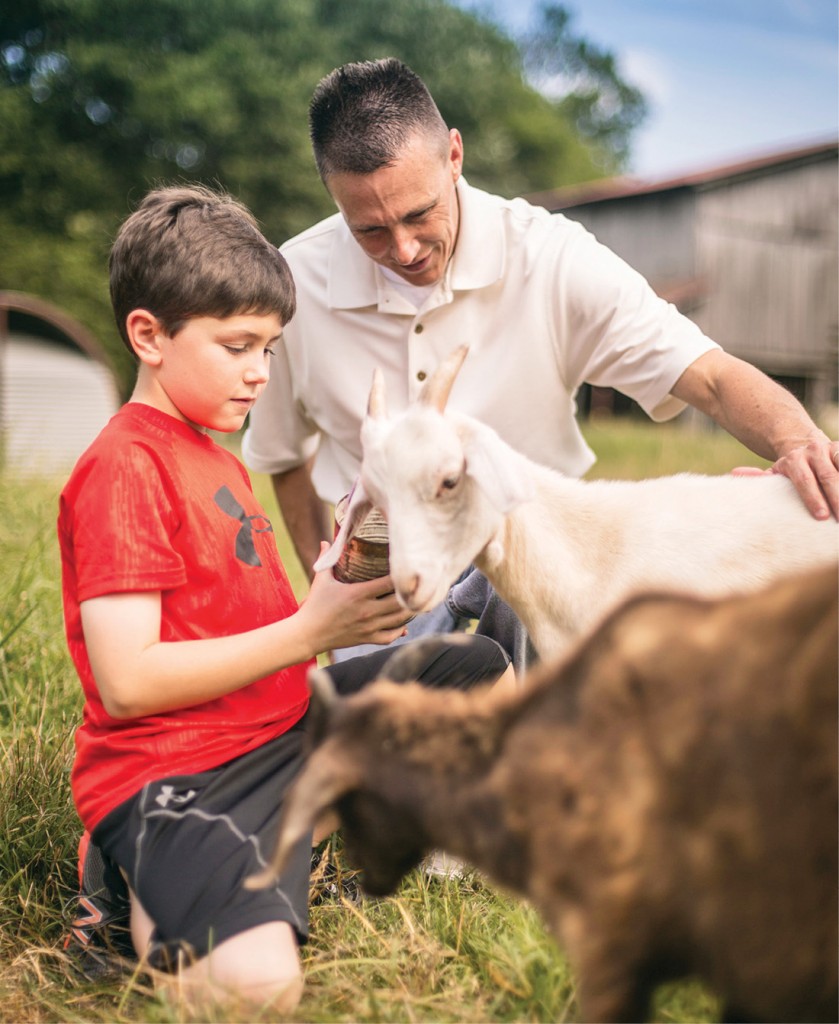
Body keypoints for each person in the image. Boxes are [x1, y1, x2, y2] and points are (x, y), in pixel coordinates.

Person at [59, 184, 511, 1014]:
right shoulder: (124, 466)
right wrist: (312, 629)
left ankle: (272, 852)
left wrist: (347, 591)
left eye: (269, 348)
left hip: (283, 733)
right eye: (237, 347)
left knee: (471, 666)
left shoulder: (218, 457)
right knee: (258, 988)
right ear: (148, 335)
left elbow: (253, 627)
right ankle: (135, 876)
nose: (260, 373)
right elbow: (128, 681)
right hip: (183, 776)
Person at [242, 57, 839, 664]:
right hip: (391, 591)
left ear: (454, 156)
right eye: (369, 230)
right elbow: (283, 459)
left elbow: (708, 376)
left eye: (420, 213)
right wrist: (336, 604)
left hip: (542, 585)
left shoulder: (553, 257)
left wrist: (802, 444)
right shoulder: (292, 287)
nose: (403, 248)